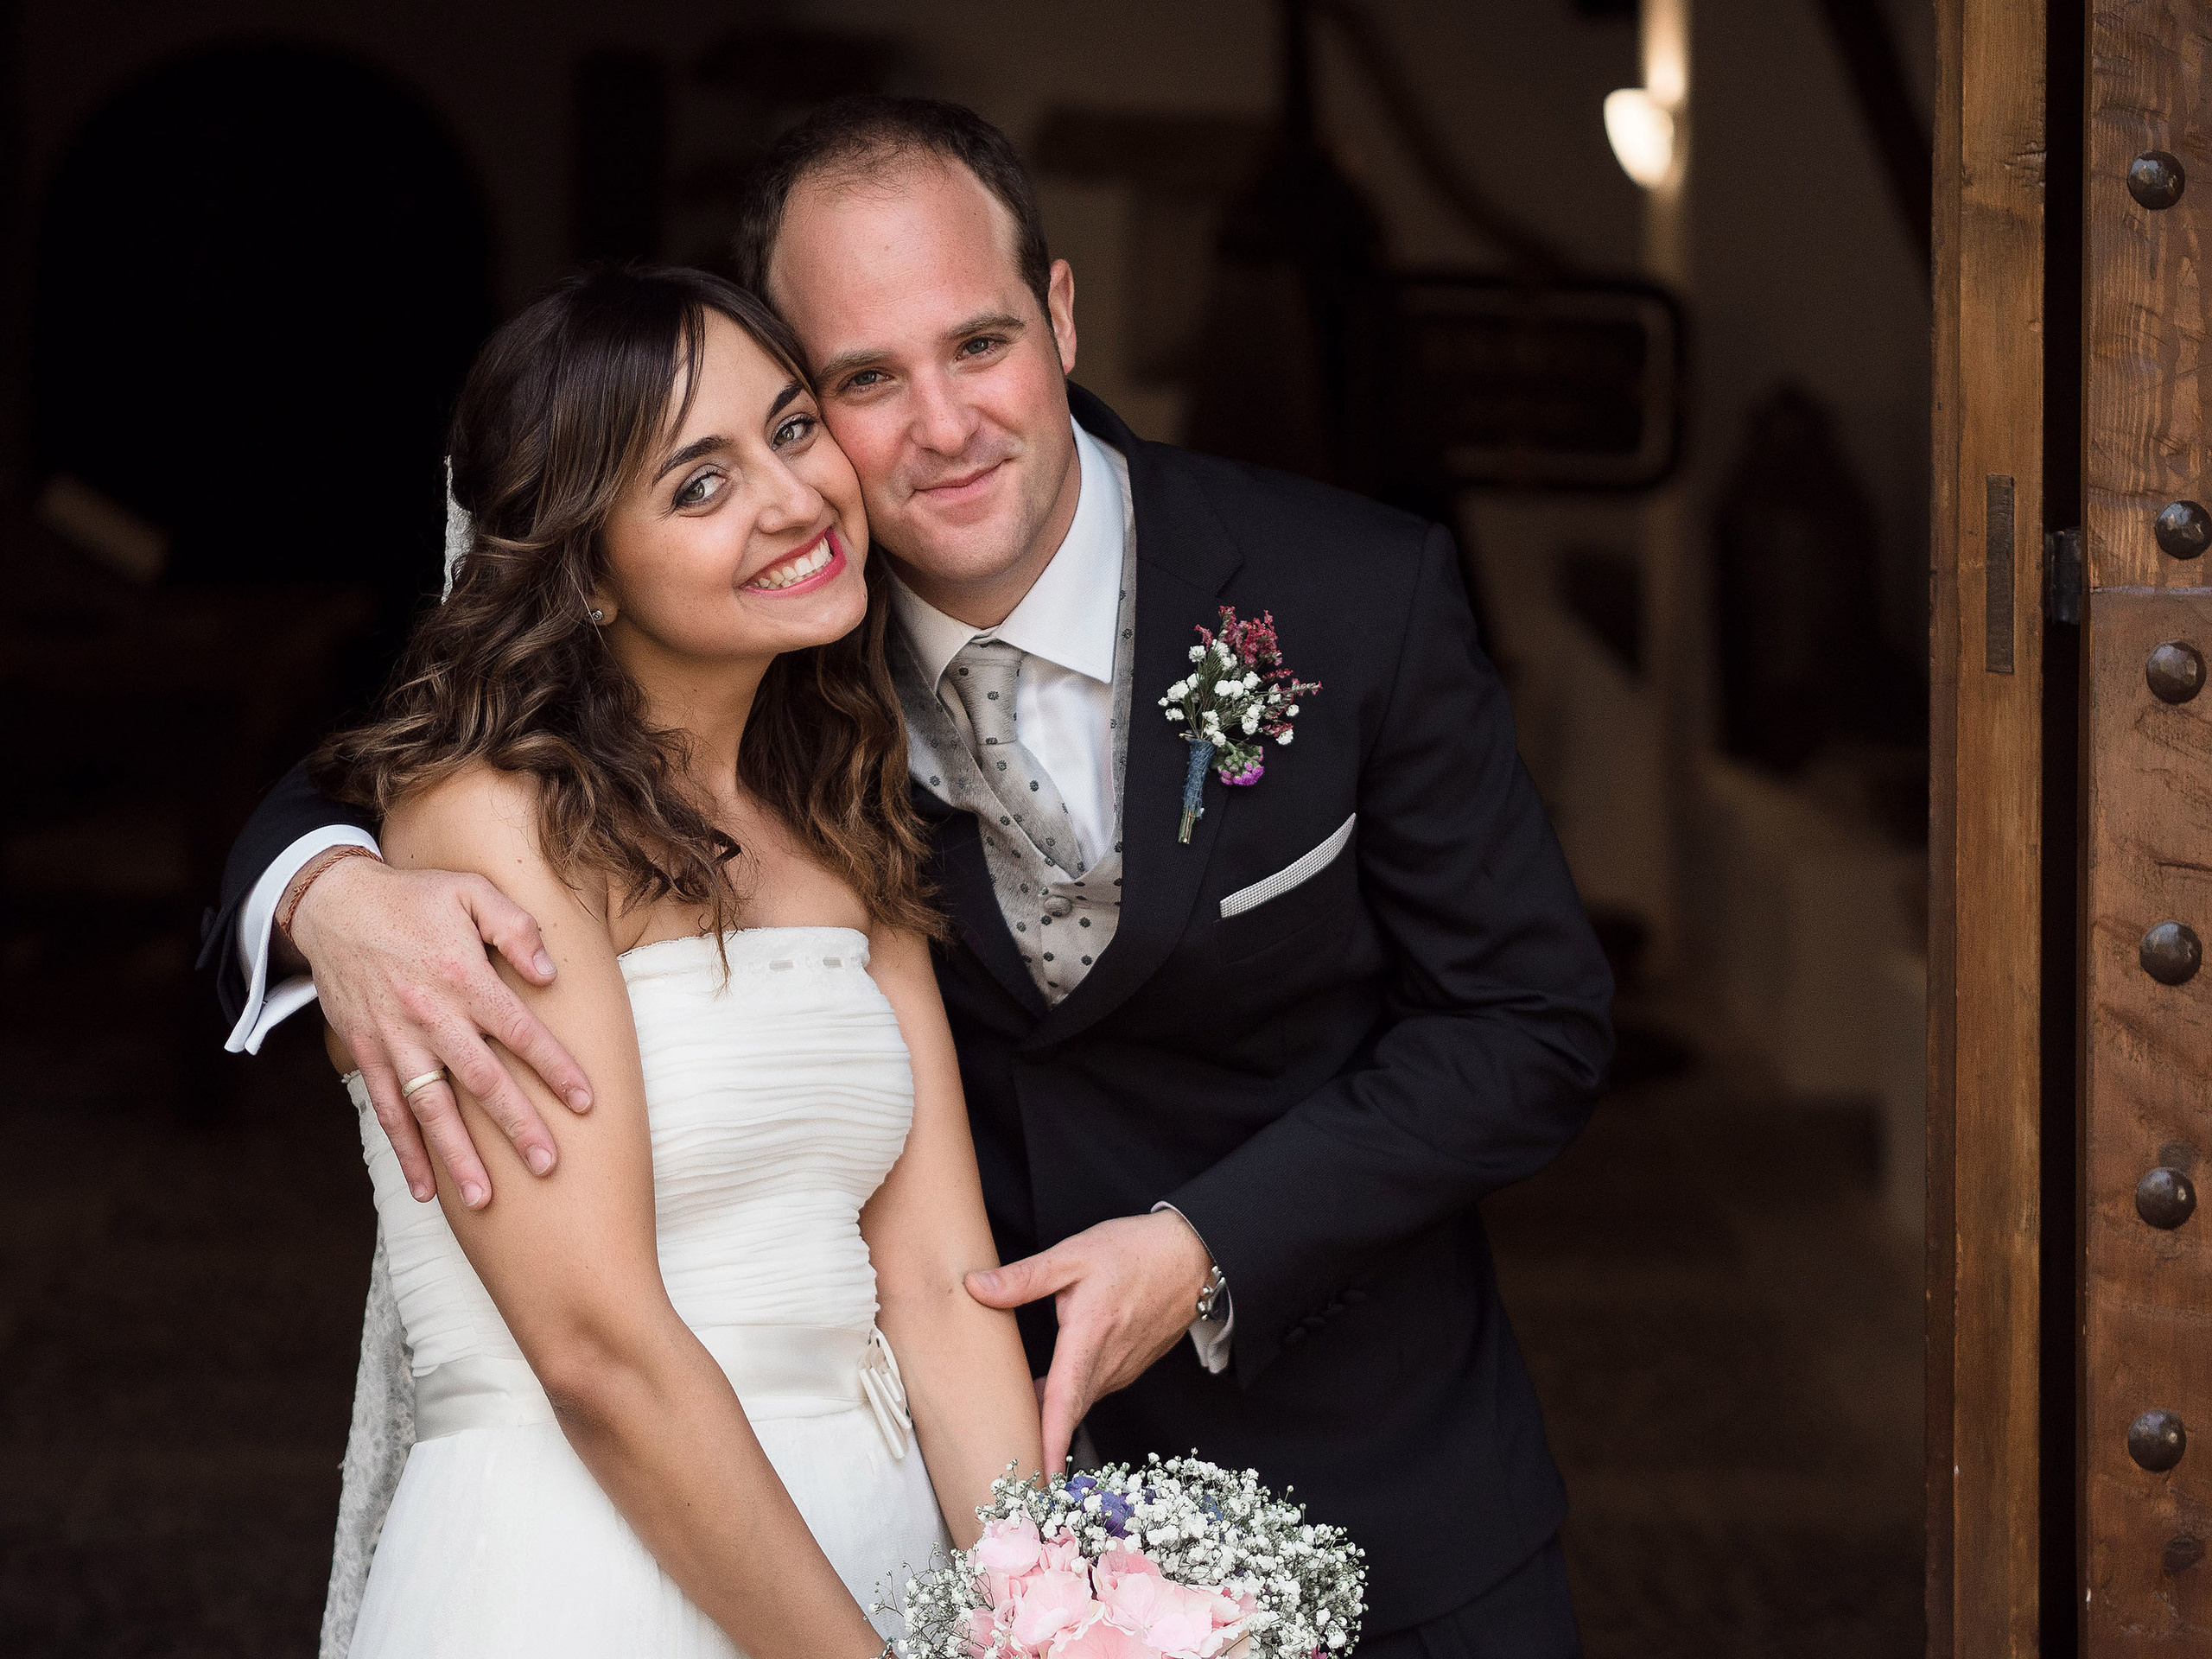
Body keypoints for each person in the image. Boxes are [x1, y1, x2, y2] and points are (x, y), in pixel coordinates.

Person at [207, 98, 1612, 1656]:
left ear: (1062, 316)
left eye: (980, 346)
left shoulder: (1344, 596)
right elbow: (403, 755)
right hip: (789, 1542)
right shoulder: (795, 634)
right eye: (862, 382)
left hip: (1371, 1487)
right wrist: (319, 890)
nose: (937, 429)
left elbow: (1532, 1018)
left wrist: (1208, 1254)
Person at [289, 264, 1041, 1659]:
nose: (791, 499)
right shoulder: (486, 820)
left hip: (870, 1544)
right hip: (583, 1565)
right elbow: (599, 1355)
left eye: (793, 429)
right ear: (581, 571)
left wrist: (1045, 1609)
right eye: (699, 487)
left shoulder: (836, 820)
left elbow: (940, 1284)